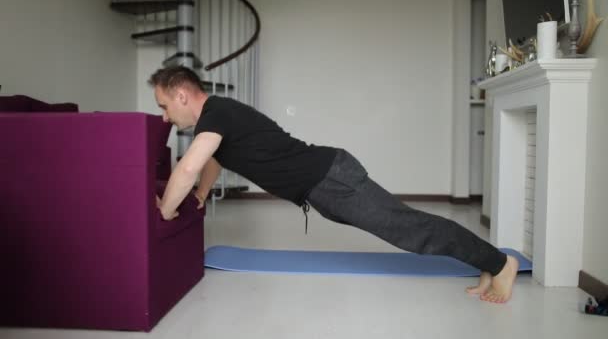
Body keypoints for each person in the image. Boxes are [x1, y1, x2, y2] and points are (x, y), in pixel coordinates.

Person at [150, 65, 519, 304]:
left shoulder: (217, 114)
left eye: (165, 106)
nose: (165, 116)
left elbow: (187, 167)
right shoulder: (217, 117)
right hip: (325, 185)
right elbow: (213, 159)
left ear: (181, 94)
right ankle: (487, 262)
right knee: (409, 226)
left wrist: (165, 212)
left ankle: (502, 264)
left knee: (410, 229)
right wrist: (200, 193)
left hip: (332, 179)